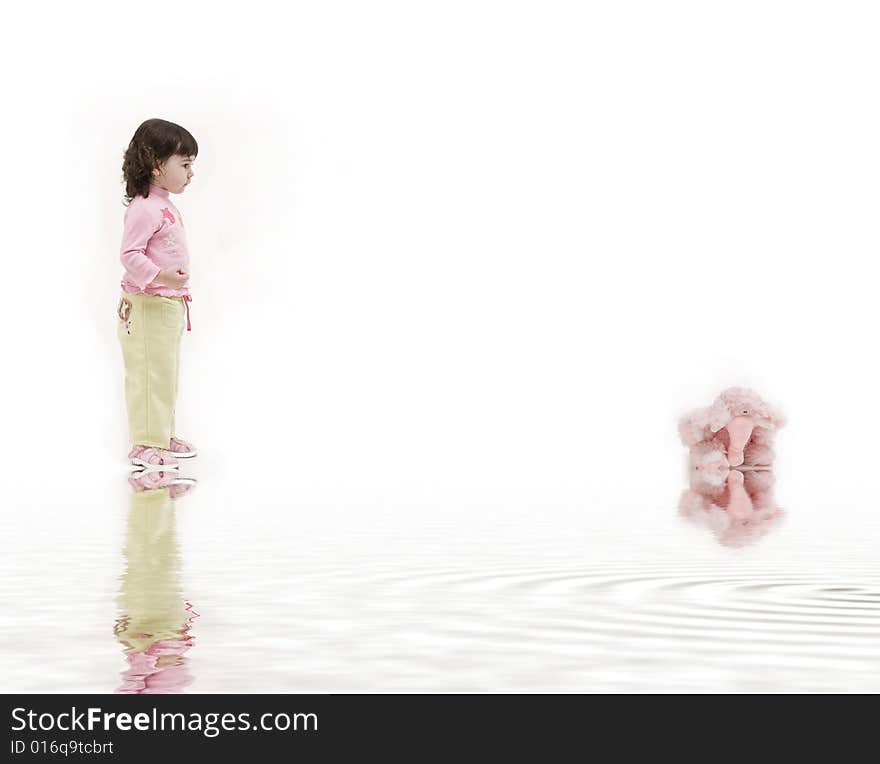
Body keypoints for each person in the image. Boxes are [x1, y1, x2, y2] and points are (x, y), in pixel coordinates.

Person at [118, 118, 199, 469]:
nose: (191, 172)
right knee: (149, 371)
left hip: (166, 304)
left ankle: (159, 433)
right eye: (184, 164)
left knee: (164, 371)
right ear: (155, 164)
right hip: (147, 304)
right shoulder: (143, 207)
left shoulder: (163, 204)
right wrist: (160, 275)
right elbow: (129, 254)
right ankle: (145, 444)